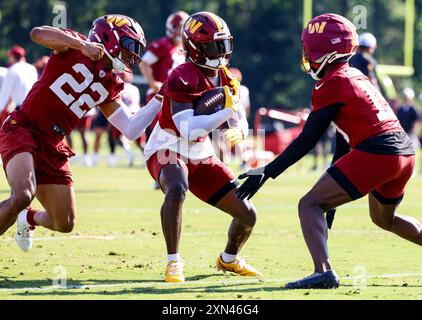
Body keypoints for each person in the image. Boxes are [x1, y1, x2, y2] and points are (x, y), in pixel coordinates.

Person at [237, 13, 421, 289]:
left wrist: (266, 172)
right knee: (384, 219)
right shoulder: (354, 75)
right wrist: (333, 190)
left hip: (378, 152)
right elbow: (343, 139)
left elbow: (307, 140)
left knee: (308, 204)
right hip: (404, 153)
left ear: (324, 53)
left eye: (310, 51)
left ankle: (322, 271)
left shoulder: (332, 83)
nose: (306, 56)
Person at [0, 14, 163, 252]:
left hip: (54, 143)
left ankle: (28, 218)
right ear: (110, 38)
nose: (133, 56)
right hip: (25, 128)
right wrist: (82, 45)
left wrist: (161, 97)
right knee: (23, 194)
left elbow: (130, 129)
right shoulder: (73, 45)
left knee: (64, 222)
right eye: (130, 47)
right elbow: (37, 33)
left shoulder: (110, 82)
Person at [144, 12, 260, 283]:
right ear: (196, 48)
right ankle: (173, 263)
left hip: (200, 152)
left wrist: (240, 127)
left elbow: (237, 114)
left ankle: (228, 259)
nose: (221, 51)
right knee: (176, 187)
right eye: (214, 45)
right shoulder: (182, 75)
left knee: (248, 214)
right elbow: (187, 129)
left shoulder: (225, 76)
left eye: (224, 44)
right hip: (168, 145)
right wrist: (225, 114)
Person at [0, 46, 38, 119]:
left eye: (10, 56)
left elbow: (5, 93)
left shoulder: (12, 70)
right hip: (33, 108)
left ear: (13, 57)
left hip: (20, 109)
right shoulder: (32, 68)